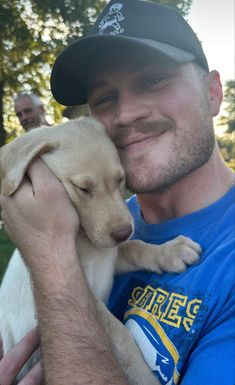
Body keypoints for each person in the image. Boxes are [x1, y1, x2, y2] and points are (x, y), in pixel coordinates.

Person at [0, 1, 234, 384]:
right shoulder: (89, 221)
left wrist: (50, 256)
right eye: (105, 99)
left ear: (212, 93)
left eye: (153, 80)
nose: (125, 115)